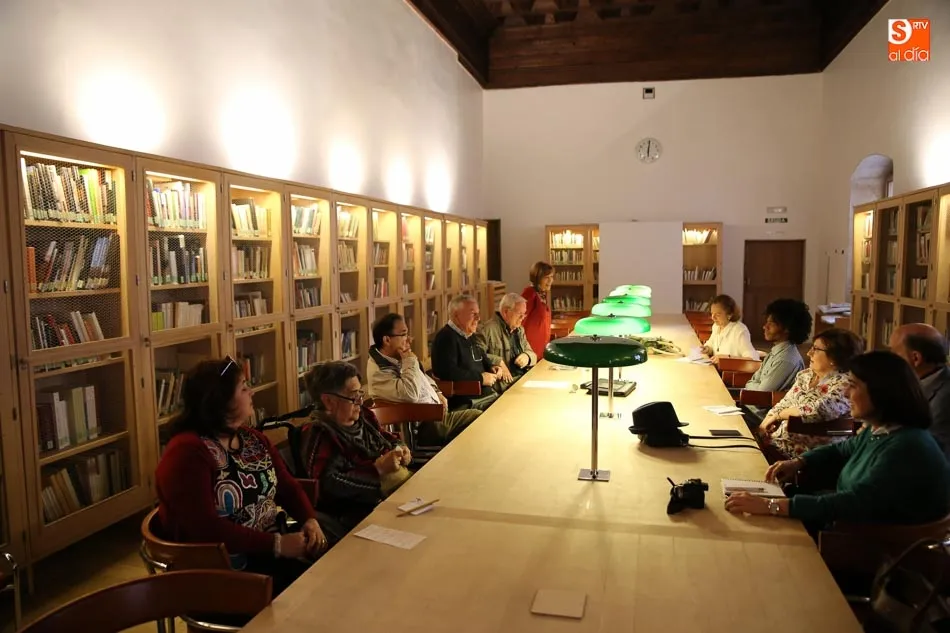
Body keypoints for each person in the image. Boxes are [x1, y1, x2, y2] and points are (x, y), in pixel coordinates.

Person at [155, 358, 328, 597]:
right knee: (319, 593)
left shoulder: (252, 438)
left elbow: (286, 486)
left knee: (334, 572)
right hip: (222, 572)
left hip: (266, 552)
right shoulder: (187, 453)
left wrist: (309, 519)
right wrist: (277, 545)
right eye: (244, 387)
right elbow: (205, 529)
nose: (252, 392)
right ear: (220, 401)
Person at [726, 351, 950, 526]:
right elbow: (842, 449)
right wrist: (800, 462)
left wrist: (772, 505)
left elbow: (853, 503)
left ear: (881, 392)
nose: (844, 394)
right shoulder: (882, 430)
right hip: (851, 528)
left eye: (852, 386)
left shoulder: (906, 447)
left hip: (868, 548)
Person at [299, 361, 412, 534]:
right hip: (358, 513)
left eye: (360, 393)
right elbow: (327, 484)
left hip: (393, 497)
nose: (360, 401)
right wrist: (377, 470)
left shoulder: (363, 416)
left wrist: (401, 448)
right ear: (328, 401)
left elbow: (388, 438)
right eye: (353, 396)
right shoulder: (320, 433)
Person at [366, 313, 481, 444]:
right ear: (387, 340)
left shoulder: (398, 357)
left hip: (436, 416)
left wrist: (437, 392)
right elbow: (410, 394)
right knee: (478, 417)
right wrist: (409, 360)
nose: (409, 339)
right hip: (423, 427)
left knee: (484, 411)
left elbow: (423, 377)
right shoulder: (379, 371)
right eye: (403, 334)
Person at [756, 328, 862, 460]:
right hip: (777, 444)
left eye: (816, 349)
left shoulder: (846, 383)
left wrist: (778, 416)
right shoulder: (805, 375)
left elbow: (821, 409)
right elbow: (786, 402)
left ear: (834, 357)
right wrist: (765, 422)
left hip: (808, 457)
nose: (808, 353)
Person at [430, 294, 505, 410]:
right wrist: (480, 378)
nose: (478, 318)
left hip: (485, 396)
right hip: (468, 402)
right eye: (473, 314)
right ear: (456, 315)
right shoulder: (445, 338)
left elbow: (481, 357)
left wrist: (492, 367)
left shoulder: (469, 334)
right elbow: (448, 373)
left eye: (478, 313)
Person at [889, 323, 950, 455]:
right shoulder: (909, 382)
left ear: (916, 358)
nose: (889, 359)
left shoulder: (944, 398)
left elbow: (931, 450)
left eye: (893, 352)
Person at [743, 298, 812, 392]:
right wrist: (751, 384)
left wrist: (750, 385)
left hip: (761, 405)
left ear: (787, 328)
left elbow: (761, 393)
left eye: (771, 324)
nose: (765, 327)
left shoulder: (785, 359)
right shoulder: (776, 351)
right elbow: (753, 381)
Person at [474, 292, 537, 383]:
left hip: (523, 379)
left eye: (524, 314)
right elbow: (477, 356)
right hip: (503, 386)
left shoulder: (520, 330)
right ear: (505, 312)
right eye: (520, 313)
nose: (522, 317)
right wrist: (498, 361)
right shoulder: (486, 330)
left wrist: (527, 357)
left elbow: (532, 354)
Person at [701, 294, 757, 364]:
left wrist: (728, 358)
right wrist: (707, 348)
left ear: (729, 315)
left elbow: (753, 359)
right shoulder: (716, 326)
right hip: (717, 369)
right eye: (712, 313)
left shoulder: (739, 330)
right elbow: (712, 343)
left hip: (731, 373)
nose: (713, 317)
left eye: (717, 314)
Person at [521, 261, 554, 358]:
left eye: (551, 277)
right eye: (546, 278)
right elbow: (520, 322)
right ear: (537, 278)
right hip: (531, 349)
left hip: (541, 348)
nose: (550, 281)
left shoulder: (542, 294)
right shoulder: (530, 293)